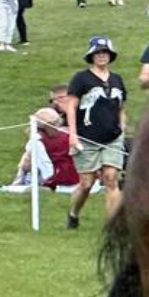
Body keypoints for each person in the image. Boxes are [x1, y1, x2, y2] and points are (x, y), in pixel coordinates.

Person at [64, 36, 128, 228]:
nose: (101, 56)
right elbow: (71, 107)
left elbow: (121, 107)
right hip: (87, 137)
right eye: (98, 53)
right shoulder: (81, 78)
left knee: (110, 178)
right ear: (91, 56)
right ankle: (73, 214)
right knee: (87, 183)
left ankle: (113, 226)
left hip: (112, 138)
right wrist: (73, 135)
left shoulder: (117, 79)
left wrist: (122, 128)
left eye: (105, 52)